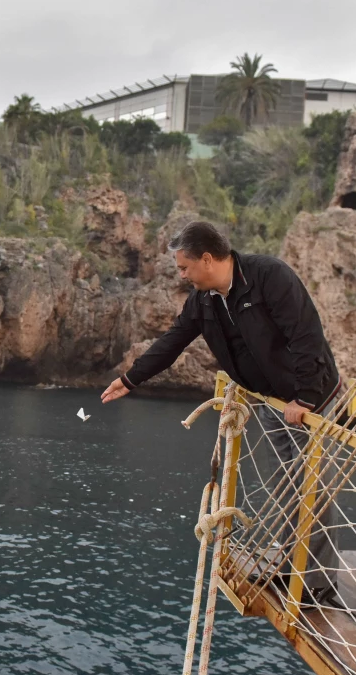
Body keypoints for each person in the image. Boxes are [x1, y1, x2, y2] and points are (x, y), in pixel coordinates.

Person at [100, 221, 342, 603]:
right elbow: (174, 340)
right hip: (271, 401)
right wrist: (130, 379)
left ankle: (319, 584)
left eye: (184, 267)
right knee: (286, 486)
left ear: (208, 259)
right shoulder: (205, 300)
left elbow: (306, 335)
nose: (182, 275)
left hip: (311, 403)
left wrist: (307, 399)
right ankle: (288, 567)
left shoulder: (270, 277)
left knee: (314, 489)